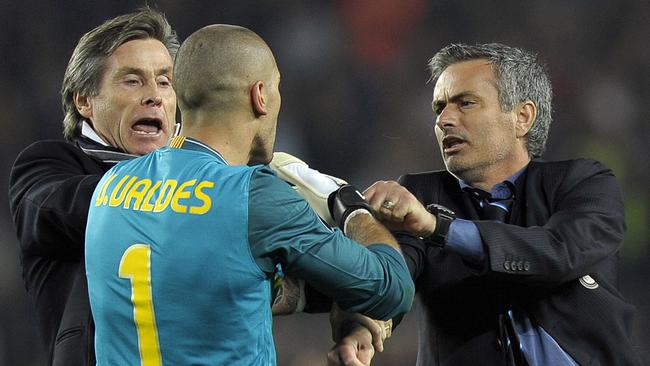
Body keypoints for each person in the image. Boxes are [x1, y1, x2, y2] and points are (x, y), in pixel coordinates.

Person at [84, 24, 415, 366]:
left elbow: (205, 279)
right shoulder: (253, 194)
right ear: (260, 95)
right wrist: (350, 206)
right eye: (277, 88)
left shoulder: (109, 185)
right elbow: (390, 289)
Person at [330, 43, 642, 365]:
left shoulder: (582, 181)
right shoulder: (421, 193)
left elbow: (561, 252)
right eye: (439, 108)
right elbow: (393, 273)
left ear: (522, 117)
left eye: (465, 103)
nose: (444, 120)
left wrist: (440, 228)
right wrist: (362, 329)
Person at [8, 8, 179, 365]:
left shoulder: (202, 175)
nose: (155, 96)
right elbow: (73, 208)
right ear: (84, 100)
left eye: (164, 81)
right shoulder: (47, 167)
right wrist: (195, 187)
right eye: (132, 81)